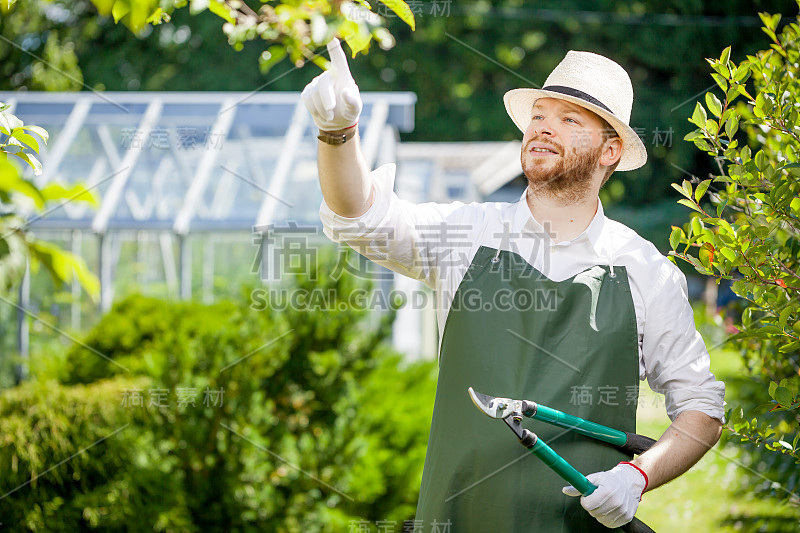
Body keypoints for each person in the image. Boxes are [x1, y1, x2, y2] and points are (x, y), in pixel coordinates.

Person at [302, 39, 725, 532]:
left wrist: (636, 475)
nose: (544, 126)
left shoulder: (644, 270)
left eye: (570, 120)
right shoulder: (466, 234)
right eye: (540, 114)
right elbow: (361, 215)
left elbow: (701, 407)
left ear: (611, 150)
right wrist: (338, 133)